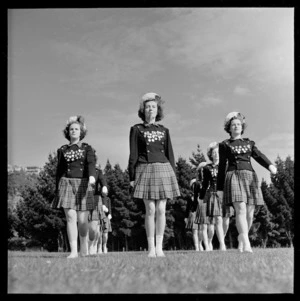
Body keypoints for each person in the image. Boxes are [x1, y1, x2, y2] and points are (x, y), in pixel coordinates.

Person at [128, 92, 180, 257]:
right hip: (144, 168)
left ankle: (160, 247)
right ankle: (151, 247)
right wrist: (131, 176)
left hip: (164, 168)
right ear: (143, 110)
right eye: (148, 107)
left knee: (161, 209)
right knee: (150, 209)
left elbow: (170, 154)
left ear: (158, 110)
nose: (150, 109)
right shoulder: (136, 129)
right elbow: (133, 154)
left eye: (153, 107)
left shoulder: (164, 130)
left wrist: (174, 174)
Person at [217, 112, 277, 253]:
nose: (236, 126)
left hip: (250, 176)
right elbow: (221, 167)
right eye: (233, 125)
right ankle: (247, 242)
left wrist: (270, 165)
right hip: (233, 176)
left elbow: (259, 156)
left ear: (242, 126)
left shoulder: (249, 143)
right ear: (229, 128)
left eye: (238, 124)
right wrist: (219, 188)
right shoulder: (224, 144)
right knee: (241, 209)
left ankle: (242, 237)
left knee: (250, 213)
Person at [52, 115, 96, 258]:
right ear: (68, 132)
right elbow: (59, 170)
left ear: (81, 132)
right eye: (71, 129)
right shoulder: (62, 150)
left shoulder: (87, 148)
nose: (74, 131)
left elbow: (91, 163)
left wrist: (92, 176)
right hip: (66, 183)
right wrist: (57, 188)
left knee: (82, 220)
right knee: (70, 217)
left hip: (83, 183)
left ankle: (84, 246)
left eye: (77, 129)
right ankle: (73, 251)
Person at [200, 142, 226, 251]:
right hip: (213, 194)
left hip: (225, 194)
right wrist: (201, 198)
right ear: (211, 154)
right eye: (213, 152)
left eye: (217, 152)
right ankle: (222, 244)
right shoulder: (207, 168)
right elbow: (205, 183)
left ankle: (222, 239)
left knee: (226, 220)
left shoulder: (226, 165)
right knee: (218, 219)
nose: (216, 154)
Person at [194, 162, 215, 251]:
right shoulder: (197, 183)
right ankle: (206, 246)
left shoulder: (212, 181)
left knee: (211, 228)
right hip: (202, 203)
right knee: (204, 227)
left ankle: (209, 242)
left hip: (211, 201)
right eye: (202, 169)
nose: (203, 170)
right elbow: (195, 196)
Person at [88, 163, 108, 255]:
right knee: (83, 224)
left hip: (96, 199)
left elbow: (103, 182)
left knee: (95, 227)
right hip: (83, 198)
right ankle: (85, 247)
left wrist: (104, 187)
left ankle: (93, 245)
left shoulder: (98, 172)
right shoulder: (83, 170)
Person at [184, 179, 204, 251]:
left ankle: (200, 244)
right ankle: (196, 247)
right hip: (193, 213)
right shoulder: (190, 196)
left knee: (201, 230)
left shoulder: (202, 194)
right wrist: (186, 217)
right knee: (195, 231)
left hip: (201, 213)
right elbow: (187, 206)